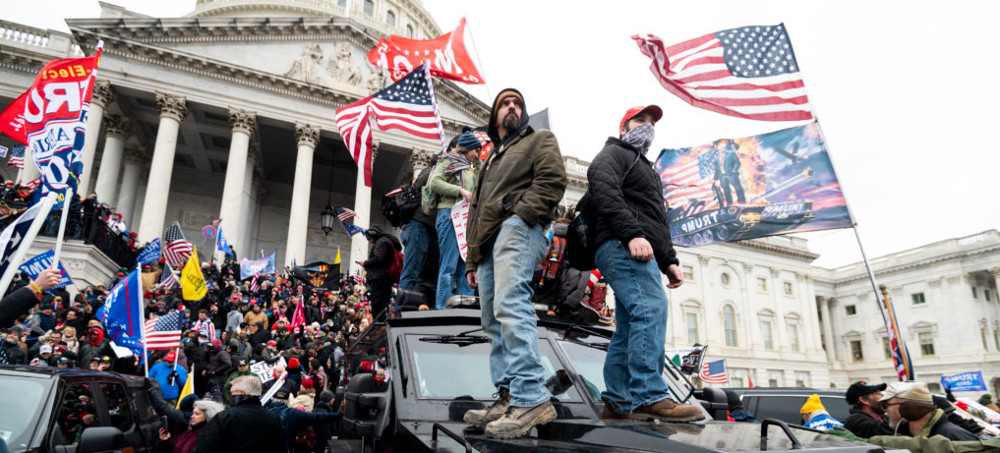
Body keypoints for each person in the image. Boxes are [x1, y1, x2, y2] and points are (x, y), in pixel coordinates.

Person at [585, 105, 702, 422]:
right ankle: (649, 394)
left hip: (638, 247)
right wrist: (632, 234)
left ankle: (618, 401)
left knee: (629, 325)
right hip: (623, 244)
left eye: (652, 123)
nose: (647, 126)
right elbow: (603, 189)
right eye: (640, 120)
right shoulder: (614, 153)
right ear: (623, 127)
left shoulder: (646, 169)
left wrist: (670, 261)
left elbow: (656, 220)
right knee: (650, 308)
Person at [462, 88, 567, 439]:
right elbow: (475, 213)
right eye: (505, 103)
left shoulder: (539, 140)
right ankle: (508, 398)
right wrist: (471, 262)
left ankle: (531, 396)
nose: (511, 107)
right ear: (495, 116)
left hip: (518, 230)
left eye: (517, 103)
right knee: (492, 320)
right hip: (488, 244)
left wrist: (520, 218)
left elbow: (553, 181)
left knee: (511, 304)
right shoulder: (490, 160)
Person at [427, 130, 481, 309]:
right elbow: (435, 183)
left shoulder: (470, 167)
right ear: (469, 148)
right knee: (448, 266)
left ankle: (466, 307)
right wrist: (460, 191)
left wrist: (478, 162)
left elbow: (482, 180)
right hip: (449, 215)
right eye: (476, 151)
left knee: (466, 267)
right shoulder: (448, 160)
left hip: (466, 219)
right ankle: (442, 308)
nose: (478, 154)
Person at [194, 375, 284, 453]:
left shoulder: (225, 417)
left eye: (231, 393)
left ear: (241, 393)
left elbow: (205, 446)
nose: (230, 396)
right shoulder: (274, 417)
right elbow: (280, 447)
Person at [880, 382, 978, 441]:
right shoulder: (911, 436)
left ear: (908, 407)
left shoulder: (951, 437)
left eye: (887, 405)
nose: (885, 411)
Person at [399, 153, 439, 291]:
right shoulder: (428, 173)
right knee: (410, 273)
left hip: (424, 229)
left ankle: (408, 306)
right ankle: (401, 310)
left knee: (417, 274)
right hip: (418, 226)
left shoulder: (426, 174)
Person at [357, 226, 401, 318]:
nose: (368, 241)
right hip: (384, 279)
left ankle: (379, 328)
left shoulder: (381, 242)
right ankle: (381, 326)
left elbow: (378, 259)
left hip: (379, 280)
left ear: (373, 235)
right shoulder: (386, 241)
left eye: (369, 238)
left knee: (378, 307)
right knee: (382, 306)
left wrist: (365, 263)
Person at [158, 399, 224, 453]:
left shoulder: (209, 438)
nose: (192, 416)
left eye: (197, 414)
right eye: (193, 413)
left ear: (208, 416)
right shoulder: (190, 432)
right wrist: (166, 440)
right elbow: (174, 446)